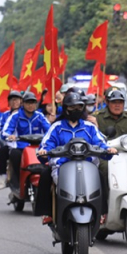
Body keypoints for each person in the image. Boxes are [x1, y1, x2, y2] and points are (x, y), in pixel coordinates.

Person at [35, 92, 117, 225]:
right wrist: (44, 151)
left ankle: (101, 212)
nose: (75, 110)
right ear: (65, 108)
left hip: (87, 165)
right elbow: (46, 144)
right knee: (45, 175)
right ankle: (47, 212)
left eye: (79, 107)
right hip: (62, 167)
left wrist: (107, 149)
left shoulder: (89, 127)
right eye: (72, 107)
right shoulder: (56, 127)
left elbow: (100, 142)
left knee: (101, 176)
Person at [93, 89, 127, 215]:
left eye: (120, 102)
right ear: (107, 102)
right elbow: (92, 134)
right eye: (114, 102)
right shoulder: (98, 117)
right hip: (106, 155)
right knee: (105, 169)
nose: (117, 105)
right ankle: (105, 205)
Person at [0, 92, 51, 190]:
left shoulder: (39, 116)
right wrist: (10, 136)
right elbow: (5, 131)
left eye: (33, 103)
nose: (31, 105)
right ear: (23, 104)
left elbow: (50, 131)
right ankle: (17, 181)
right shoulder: (15, 116)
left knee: (49, 159)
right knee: (15, 155)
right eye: (28, 103)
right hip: (21, 147)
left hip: (38, 147)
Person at [0, 90, 23, 178]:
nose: (14, 102)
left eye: (16, 100)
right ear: (9, 102)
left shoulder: (26, 114)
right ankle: (4, 175)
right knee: (2, 152)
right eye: (12, 100)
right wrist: (9, 136)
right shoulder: (5, 115)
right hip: (11, 143)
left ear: (21, 101)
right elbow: (1, 130)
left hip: (26, 143)